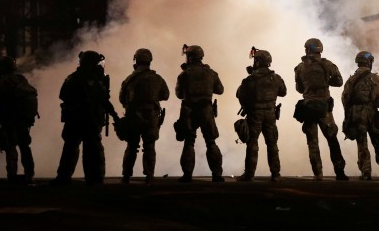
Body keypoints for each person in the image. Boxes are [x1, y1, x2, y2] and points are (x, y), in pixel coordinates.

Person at [52, 51, 119, 186]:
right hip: (87, 121)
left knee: (71, 149)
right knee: (92, 151)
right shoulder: (93, 81)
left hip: (75, 120)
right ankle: (94, 179)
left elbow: (63, 94)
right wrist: (115, 116)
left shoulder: (74, 78)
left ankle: (64, 178)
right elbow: (104, 100)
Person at [294, 37, 349, 181]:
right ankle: (340, 172)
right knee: (332, 140)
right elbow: (339, 82)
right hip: (325, 109)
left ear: (307, 49)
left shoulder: (300, 67)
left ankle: (318, 174)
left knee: (313, 143)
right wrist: (325, 82)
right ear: (320, 49)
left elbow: (299, 89)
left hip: (308, 108)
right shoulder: (328, 64)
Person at [0, 55, 38, 184]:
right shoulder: (21, 79)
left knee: (10, 146)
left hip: (8, 118)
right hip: (23, 119)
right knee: (25, 146)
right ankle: (29, 173)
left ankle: (12, 174)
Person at [119, 48, 170, 184]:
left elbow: (122, 99)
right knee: (149, 146)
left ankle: (126, 176)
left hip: (133, 117)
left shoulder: (130, 79)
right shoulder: (157, 78)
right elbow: (165, 95)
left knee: (132, 146)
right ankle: (149, 176)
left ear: (136, 60)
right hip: (151, 117)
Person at [235, 47, 286, 182]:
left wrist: (252, 75)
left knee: (252, 143)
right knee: (272, 143)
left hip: (255, 114)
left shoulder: (250, 80)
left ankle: (249, 175)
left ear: (257, 62)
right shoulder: (276, 77)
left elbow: (240, 95)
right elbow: (283, 92)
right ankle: (276, 174)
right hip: (270, 114)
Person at [175, 44, 225, 183]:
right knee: (211, 142)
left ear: (190, 57)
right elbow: (220, 90)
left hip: (189, 111)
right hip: (206, 111)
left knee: (189, 142)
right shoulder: (211, 73)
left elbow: (179, 94)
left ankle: (187, 175)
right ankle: (216, 174)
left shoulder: (184, 75)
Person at [341, 51, 379, 181]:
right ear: (369, 62)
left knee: (362, 143)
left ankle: (366, 172)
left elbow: (345, 98)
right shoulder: (376, 79)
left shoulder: (351, 79)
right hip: (373, 114)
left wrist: (349, 114)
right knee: (378, 143)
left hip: (357, 114)